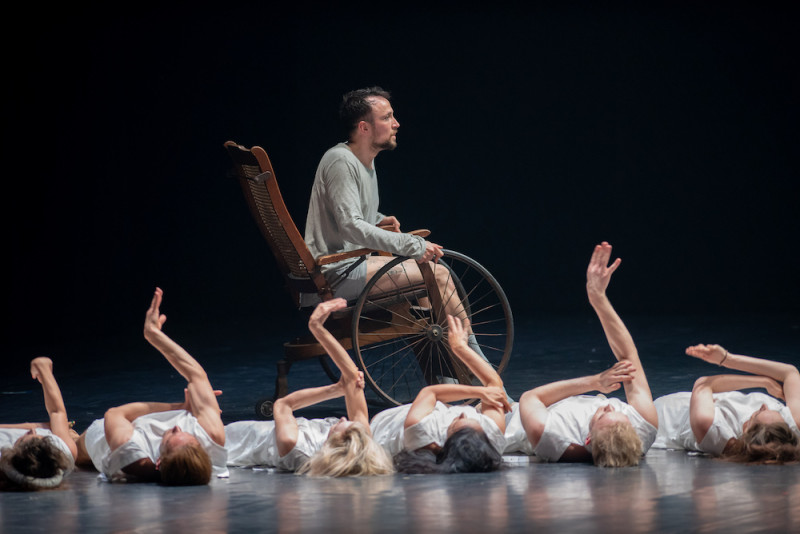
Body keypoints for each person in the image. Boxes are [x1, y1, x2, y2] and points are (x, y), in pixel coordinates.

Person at [506, 242, 658, 467]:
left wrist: (595, 382)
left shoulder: (551, 439)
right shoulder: (644, 424)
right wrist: (598, 298)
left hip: (509, 415)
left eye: (602, 415)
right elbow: (628, 355)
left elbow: (531, 398)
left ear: (588, 440)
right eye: (621, 415)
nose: (609, 406)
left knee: (459, 342)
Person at [224, 298, 393, 476]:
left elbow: (283, 405)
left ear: (332, 444)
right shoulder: (358, 439)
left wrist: (335, 390)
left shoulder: (294, 445)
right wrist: (318, 329)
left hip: (241, 439)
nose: (343, 419)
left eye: (339, 426)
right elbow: (352, 376)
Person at [75, 288, 227, 484]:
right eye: (188, 437)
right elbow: (196, 375)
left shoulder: (132, 457)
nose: (177, 427)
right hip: (135, 426)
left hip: (103, 437)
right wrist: (154, 335)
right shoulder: (212, 438)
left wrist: (179, 407)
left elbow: (116, 414)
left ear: (158, 462)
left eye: (173, 436)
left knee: (70, 447)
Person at [371, 314, 511, 474]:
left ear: (443, 445)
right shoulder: (492, 436)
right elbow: (494, 384)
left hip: (384, 425)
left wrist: (481, 392)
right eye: (472, 420)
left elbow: (431, 393)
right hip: (439, 412)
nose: (463, 414)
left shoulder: (422, 434)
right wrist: (461, 348)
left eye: (456, 423)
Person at [653, 344, 800, 464]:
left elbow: (703, 384)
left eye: (759, 413)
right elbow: (789, 372)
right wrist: (727, 359)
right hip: (710, 399)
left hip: (667, 413)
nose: (764, 405)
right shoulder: (792, 426)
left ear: (747, 432)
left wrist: (763, 382)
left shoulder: (714, 431)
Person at [0, 357, 77, 491]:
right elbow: (57, 412)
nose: (32, 431)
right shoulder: (63, 450)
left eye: (23, 439)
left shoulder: (5, 461)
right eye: (40, 437)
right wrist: (44, 369)